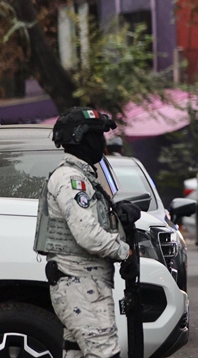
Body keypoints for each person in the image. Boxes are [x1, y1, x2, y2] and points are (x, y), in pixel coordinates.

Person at [34, 107, 141, 358]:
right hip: (80, 285)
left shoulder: (83, 176)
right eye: (96, 136)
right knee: (105, 353)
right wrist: (125, 252)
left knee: (76, 353)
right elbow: (88, 235)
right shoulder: (72, 179)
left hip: (83, 285)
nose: (102, 142)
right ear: (80, 138)